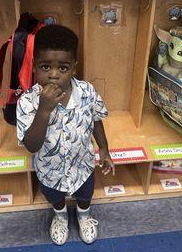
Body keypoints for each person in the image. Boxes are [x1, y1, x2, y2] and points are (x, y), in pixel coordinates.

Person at [17, 24, 114, 245]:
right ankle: (60, 216)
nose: (53, 75)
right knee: (54, 196)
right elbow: (31, 145)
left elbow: (96, 120)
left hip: (83, 166)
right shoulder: (27, 102)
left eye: (62, 68)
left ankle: (84, 215)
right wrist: (44, 109)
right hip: (49, 171)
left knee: (85, 193)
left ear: (74, 68)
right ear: (34, 67)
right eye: (45, 67)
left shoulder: (87, 91)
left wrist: (105, 150)